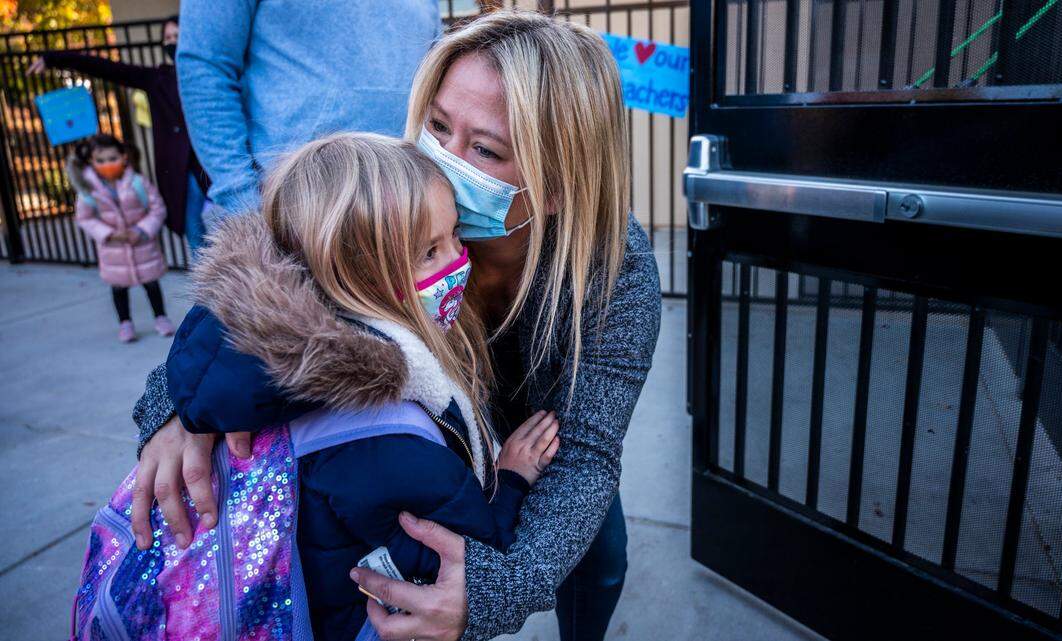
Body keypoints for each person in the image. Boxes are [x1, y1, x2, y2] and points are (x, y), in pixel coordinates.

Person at [129, 10, 662, 641]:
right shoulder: (395, 195)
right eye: (438, 125)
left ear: (557, 184)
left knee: (598, 559)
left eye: (484, 148)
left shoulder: (614, 268)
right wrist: (176, 407)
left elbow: (585, 453)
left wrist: (492, 592)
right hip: (433, 446)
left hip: (543, 439)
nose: (440, 158)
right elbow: (263, 283)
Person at [73, 133, 561, 641]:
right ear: (355, 276)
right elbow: (470, 557)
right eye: (428, 252)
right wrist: (511, 480)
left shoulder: (271, 376)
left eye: (454, 237)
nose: (459, 261)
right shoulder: (386, 437)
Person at [173, 0, 440, 221]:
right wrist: (243, 202)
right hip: (301, 216)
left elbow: (434, 72)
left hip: (410, 202)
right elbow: (205, 67)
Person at [29, 16, 212, 256]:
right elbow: (105, 67)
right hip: (183, 174)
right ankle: (215, 292)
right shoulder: (157, 79)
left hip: (214, 166)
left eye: (177, 36)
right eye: (167, 38)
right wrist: (53, 59)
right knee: (200, 244)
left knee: (239, 231)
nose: (172, 42)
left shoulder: (211, 74)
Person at [70, 134, 174, 342]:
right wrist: (108, 234)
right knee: (118, 288)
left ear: (124, 157)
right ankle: (125, 323)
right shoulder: (88, 190)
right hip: (113, 249)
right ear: (91, 161)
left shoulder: (137, 183)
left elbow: (157, 208)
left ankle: (161, 318)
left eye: (112, 158)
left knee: (152, 284)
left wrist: (141, 230)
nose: (107, 164)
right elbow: (84, 218)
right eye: (101, 160)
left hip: (142, 245)